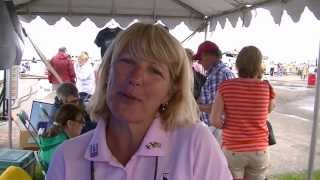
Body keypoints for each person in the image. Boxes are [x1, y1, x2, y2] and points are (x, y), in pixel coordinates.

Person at [46, 23, 232, 180]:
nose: (136, 77)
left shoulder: (194, 144)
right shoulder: (67, 158)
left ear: (170, 92)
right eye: (127, 61)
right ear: (107, 73)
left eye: (155, 71)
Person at [211, 46, 276, 180]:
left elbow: (215, 121)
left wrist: (229, 123)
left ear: (237, 64)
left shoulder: (225, 87)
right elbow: (269, 109)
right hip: (259, 150)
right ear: (259, 65)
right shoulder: (266, 87)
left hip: (233, 149)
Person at [193, 41, 235, 139]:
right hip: (215, 127)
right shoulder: (216, 73)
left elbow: (220, 107)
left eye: (200, 58)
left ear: (209, 56)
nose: (199, 62)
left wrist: (196, 107)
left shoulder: (219, 74)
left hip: (218, 128)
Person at [39, 103, 85, 172]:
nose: (83, 125)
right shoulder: (67, 149)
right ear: (70, 124)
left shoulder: (48, 141)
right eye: (81, 121)